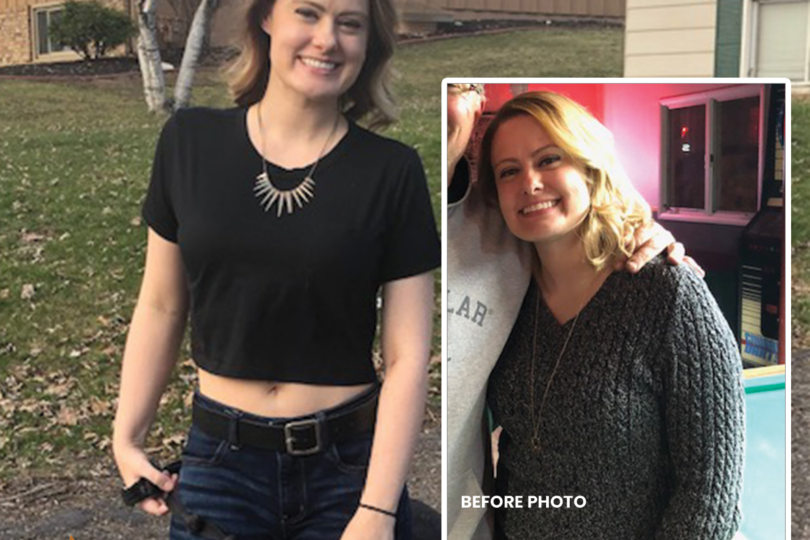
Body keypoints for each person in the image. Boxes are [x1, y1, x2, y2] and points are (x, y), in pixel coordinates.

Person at [112, 0, 440, 537]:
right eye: (307, 13)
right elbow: (162, 304)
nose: (327, 39)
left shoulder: (392, 171)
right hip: (220, 469)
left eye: (350, 23)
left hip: (349, 472)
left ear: (368, 43)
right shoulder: (188, 142)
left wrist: (378, 510)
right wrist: (127, 437)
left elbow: (408, 357)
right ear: (266, 18)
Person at [445, 84, 706, 540]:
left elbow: (708, 492)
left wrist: (649, 231)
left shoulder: (666, 289)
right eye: (508, 171)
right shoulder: (518, 285)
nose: (528, 182)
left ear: (589, 166)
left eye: (549, 159)